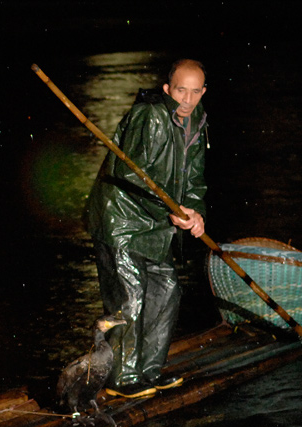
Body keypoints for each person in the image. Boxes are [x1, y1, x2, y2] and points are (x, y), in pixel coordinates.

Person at [84, 58, 209, 399]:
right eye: (180, 90)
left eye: (195, 92)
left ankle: (150, 370)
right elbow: (132, 174)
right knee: (131, 296)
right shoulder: (150, 115)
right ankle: (120, 379)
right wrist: (171, 210)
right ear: (168, 89)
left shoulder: (197, 121)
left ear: (203, 92)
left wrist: (195, 214)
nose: (187, 99)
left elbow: (194, 179)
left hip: (155, 222)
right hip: (121, 220)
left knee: (168, 289)